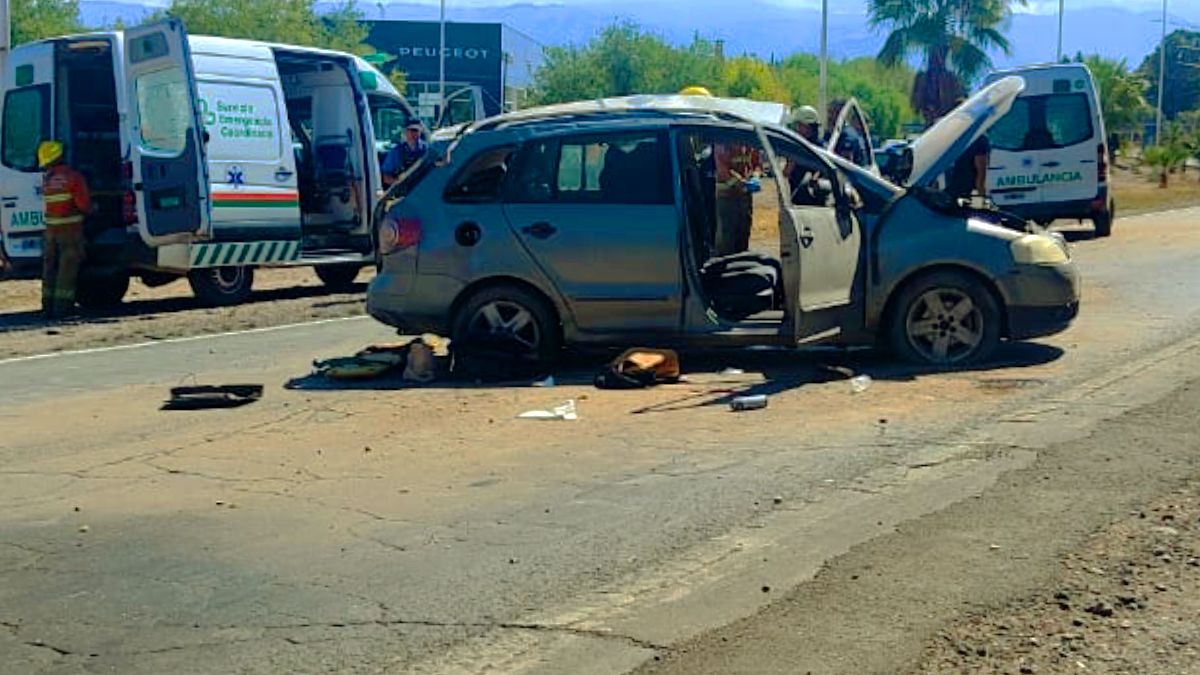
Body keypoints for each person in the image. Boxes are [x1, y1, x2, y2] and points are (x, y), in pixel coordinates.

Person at [38, 140, 91, 318]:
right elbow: (84, 205)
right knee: (66, 269)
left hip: (50, 231)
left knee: (49, 268)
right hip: (70, 230)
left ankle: (47, 307)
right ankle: (63, 309)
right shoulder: (73, 177)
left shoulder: (48, 179)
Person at [381, 121, 428, 187]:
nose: (412, 133)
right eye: (409, 130)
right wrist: (399, 184)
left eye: (415, 130)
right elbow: (386, 177)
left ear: (420, 131)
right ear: (405, 132)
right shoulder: (396, 152)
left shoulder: (428, 150)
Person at [826, 100, 869, 166]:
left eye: (833, 113)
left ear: (840, 114)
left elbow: (845, 164)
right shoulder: (829, 134)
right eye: (829, 112)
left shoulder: (848, 136)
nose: (829, 116)